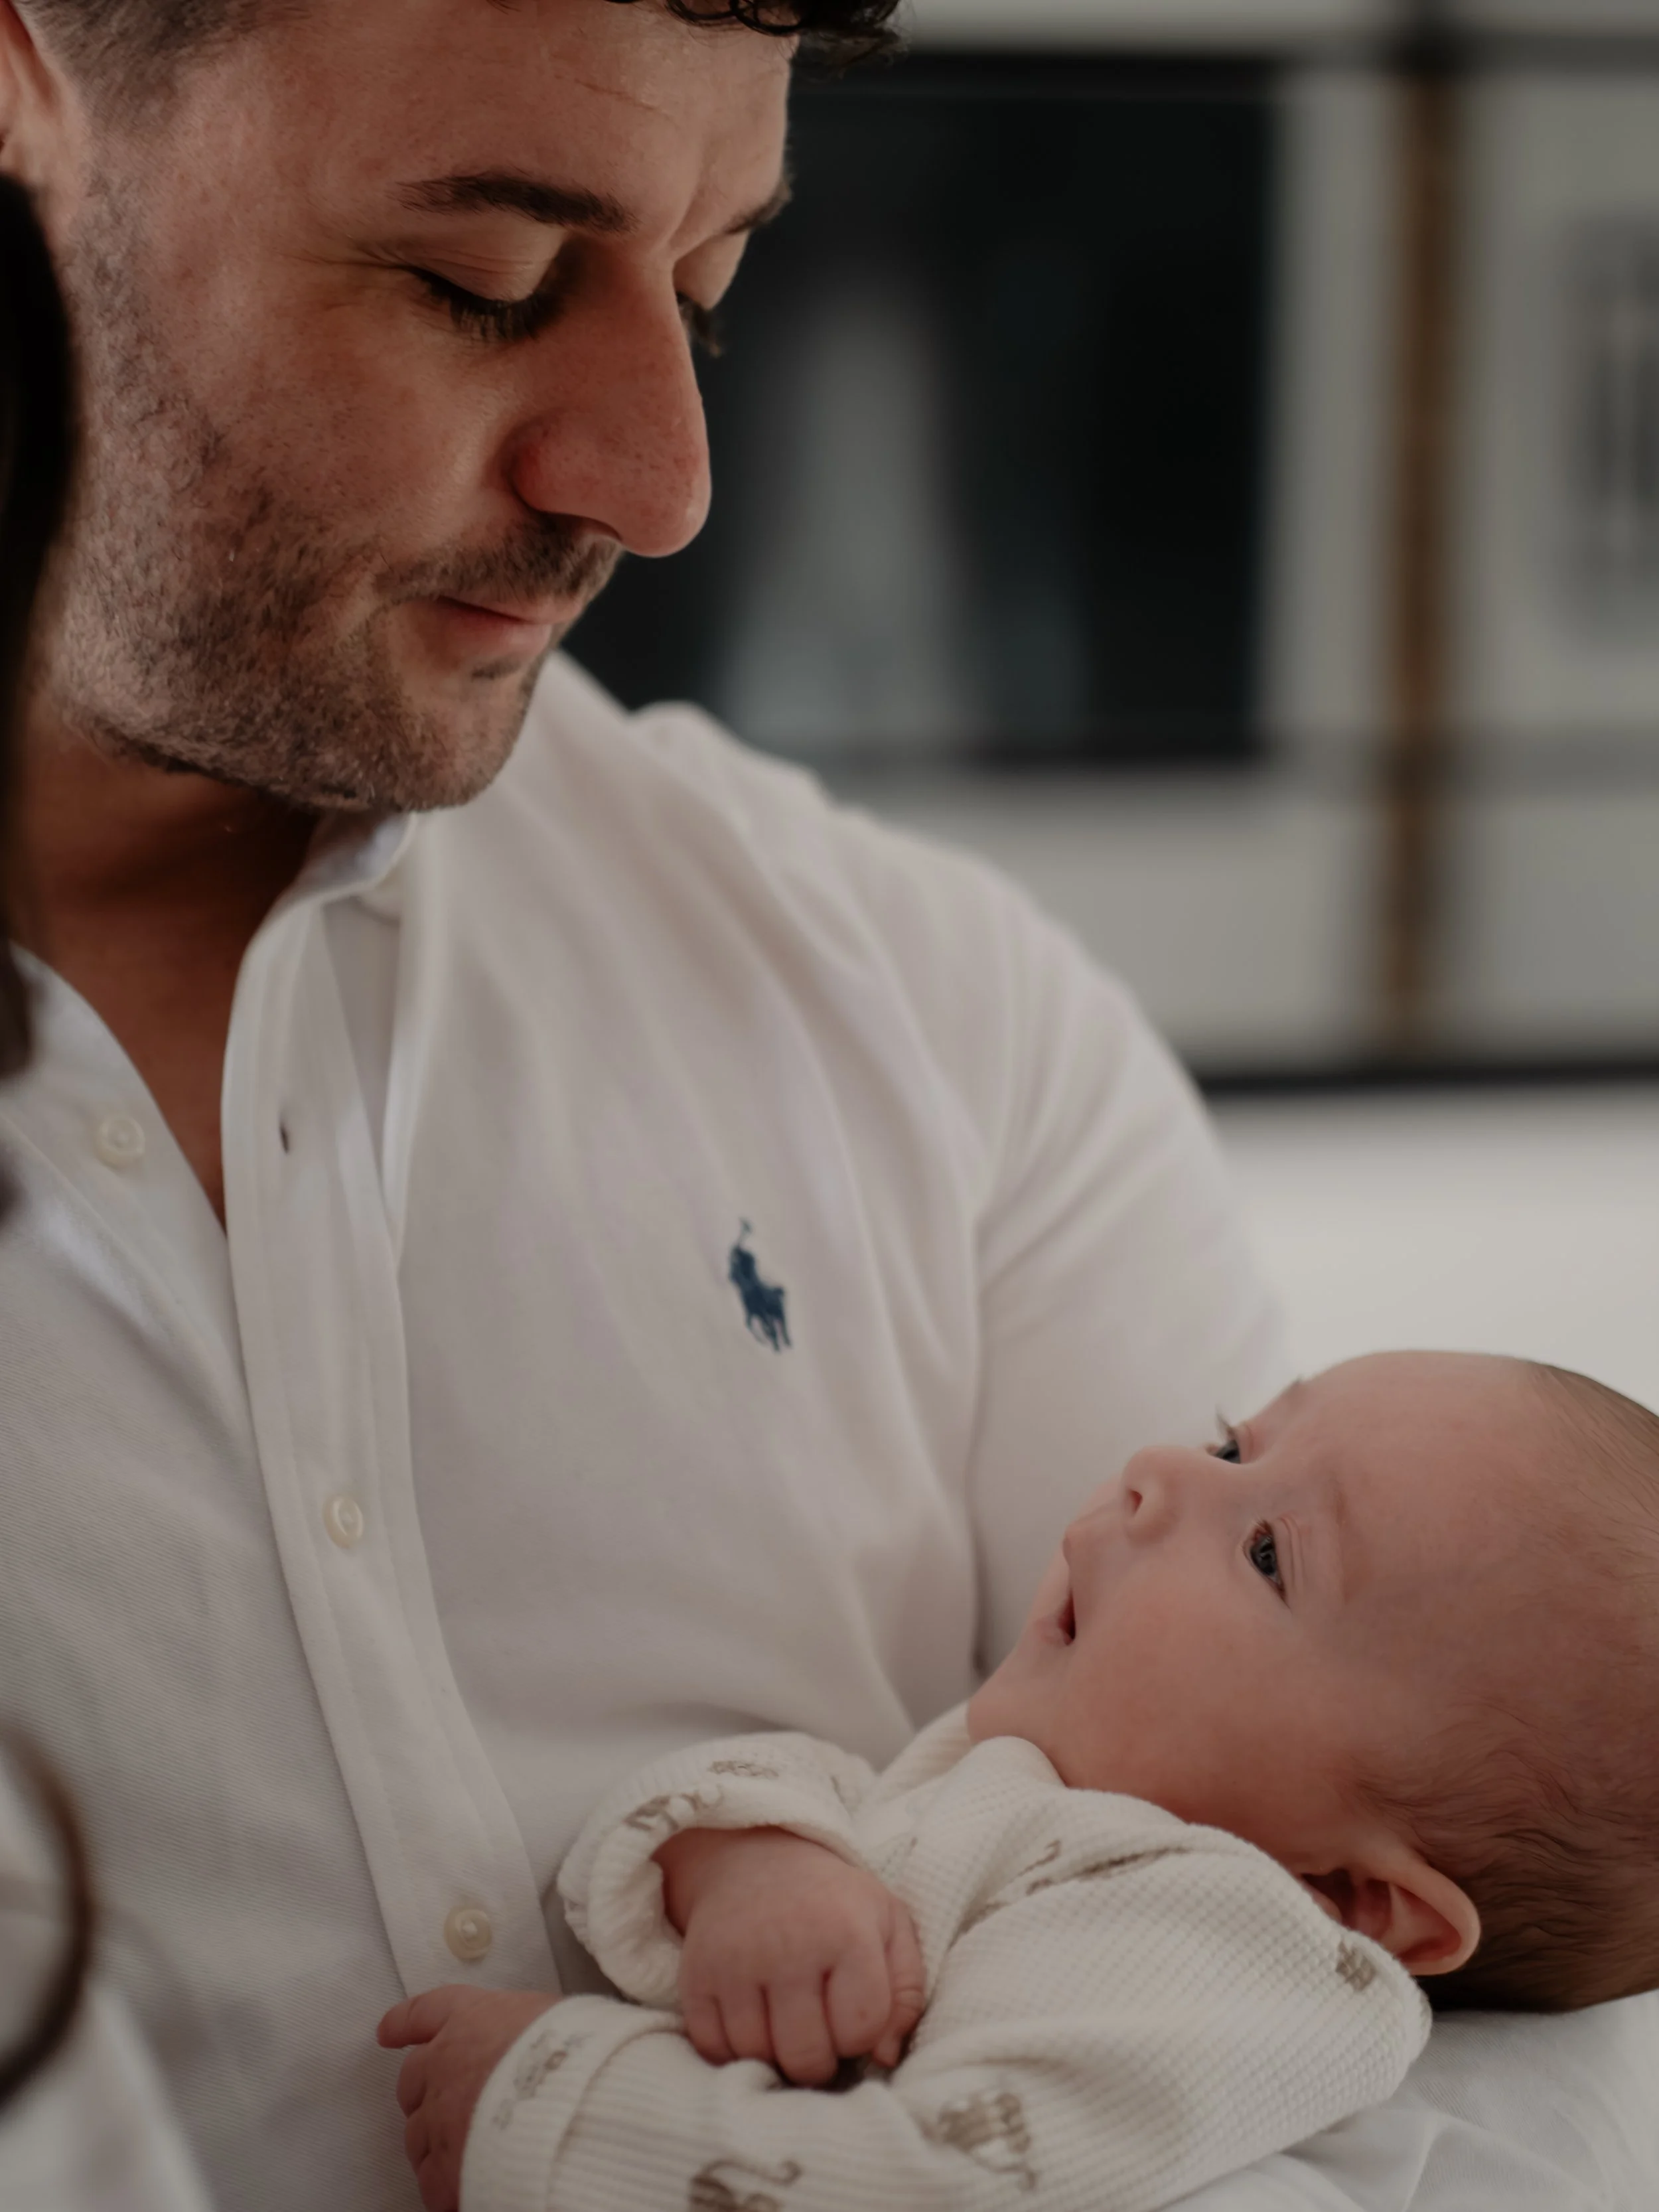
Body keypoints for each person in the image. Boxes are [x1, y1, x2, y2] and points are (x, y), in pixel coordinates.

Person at [0, 1, 1650, 2209]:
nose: (666, 482)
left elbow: (1481, 2025)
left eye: (710, 286)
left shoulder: (949, 1023)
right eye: (483, 280)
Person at [379, 1351, 1659, 2211]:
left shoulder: (1229, 1960)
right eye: (1232, 1442)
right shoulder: (1055, 1784)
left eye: (1269, 1552)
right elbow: (833, 1790)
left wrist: (557, 2111)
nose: (1160, 1469)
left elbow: (934, 2186)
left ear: (1360, 1899)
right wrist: (758, 1862)